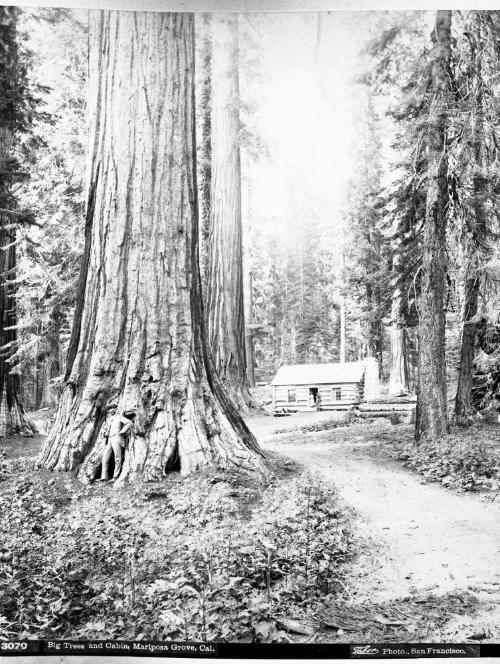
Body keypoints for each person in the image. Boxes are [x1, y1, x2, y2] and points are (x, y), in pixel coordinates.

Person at [100, 404, 134, 481]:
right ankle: (104, 476)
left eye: (113, 408)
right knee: (105, 457)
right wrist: (105, 433)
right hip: (110, 440)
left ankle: (115, 476)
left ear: (115, 409)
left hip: (117, 438)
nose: (112, 410)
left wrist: (122, 431)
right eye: (110, 409)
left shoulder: (119, 417)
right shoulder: (108, 420)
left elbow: (129, 423)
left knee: (117, 458)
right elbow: (106, 430)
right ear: (108, 411)